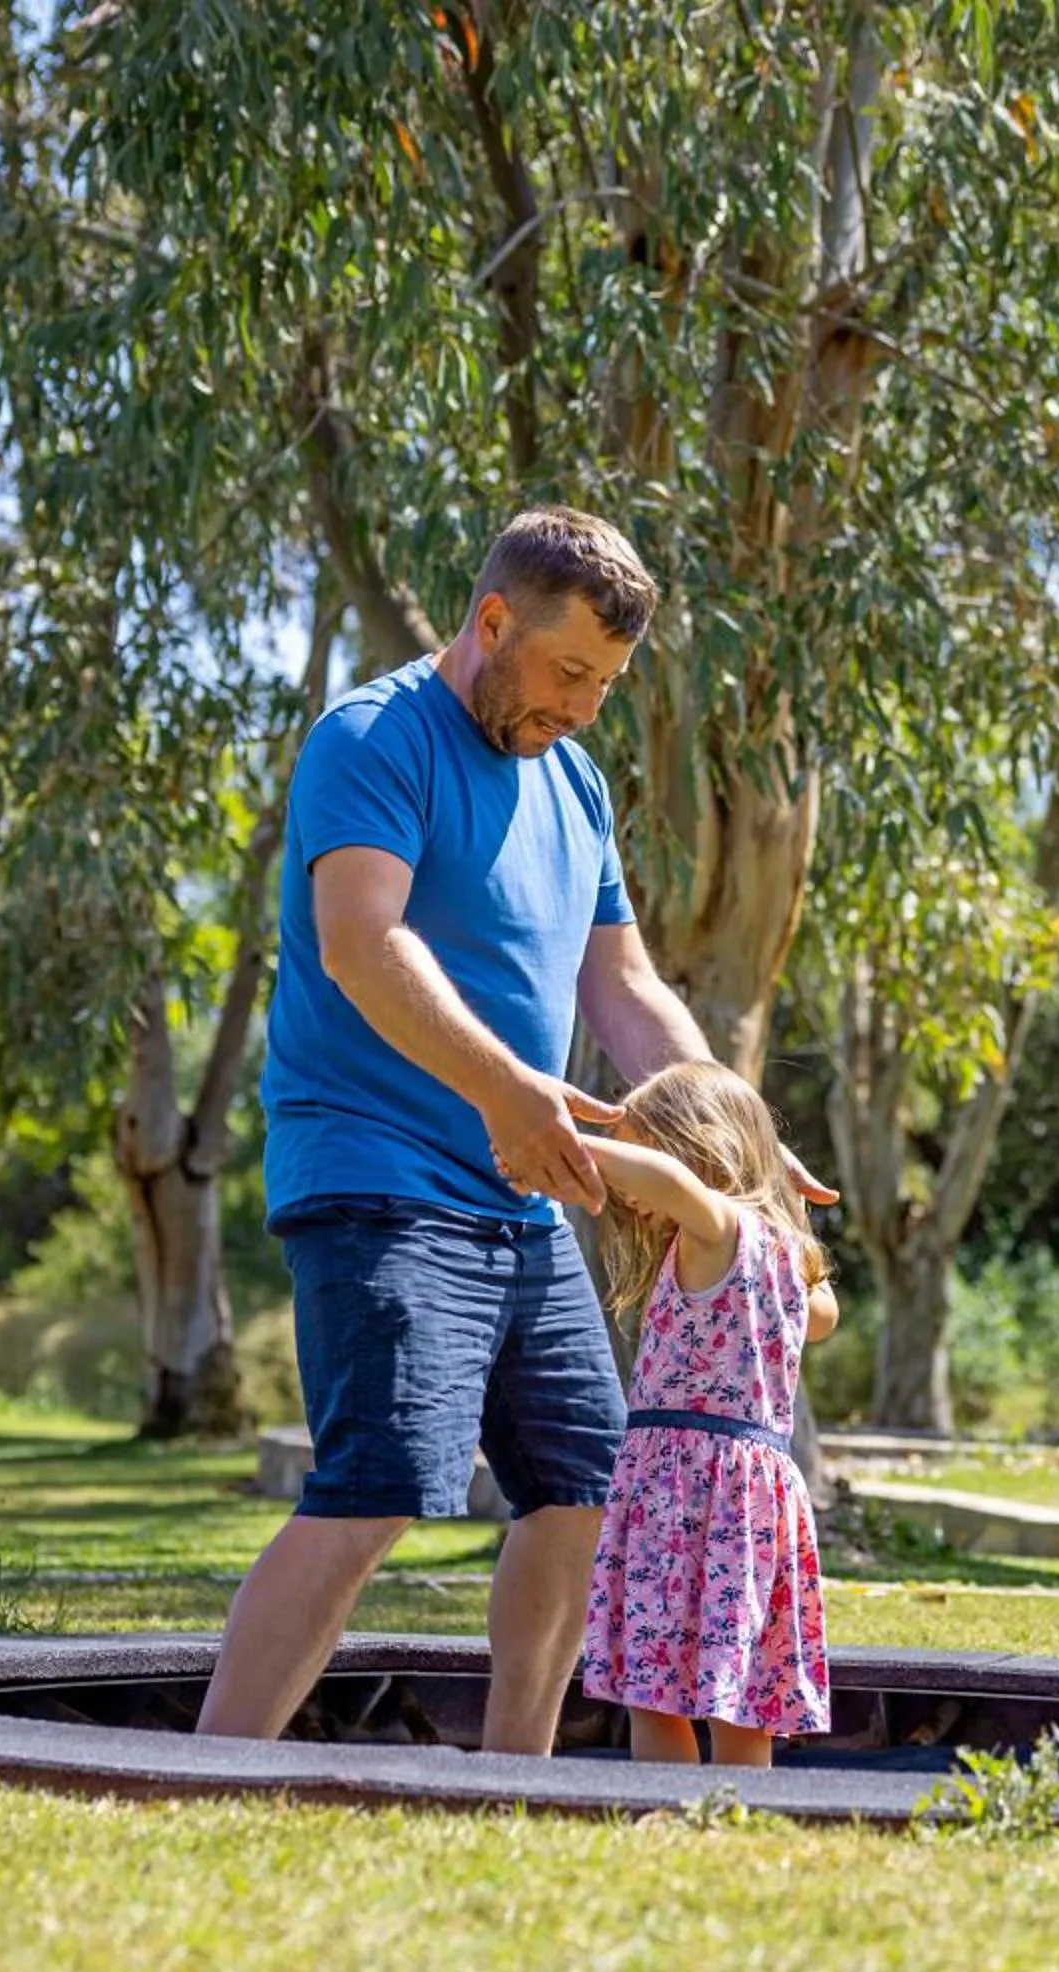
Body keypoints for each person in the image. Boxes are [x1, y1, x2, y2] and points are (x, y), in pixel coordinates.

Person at [196, 506, 830, 1751]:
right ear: (494, 623)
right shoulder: (372, 741)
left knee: (588, 1491)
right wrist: (504, 1089)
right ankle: (199, 1771)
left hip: (522, 1197)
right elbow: (363, 943)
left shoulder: (574, 782)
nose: (587, 707)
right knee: (375, 1491)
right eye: (571, 672)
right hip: (378, 1174)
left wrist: (741, 1141)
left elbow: (625, 989)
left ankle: (517, 1783)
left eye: (607, 681)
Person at [576, 1061, 840, 1768]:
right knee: (742, 1687)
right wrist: (786, 1202)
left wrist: (558, 1136)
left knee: (654, 1691)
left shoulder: (717, 1231)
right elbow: (822, 1317)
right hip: (751, 1501)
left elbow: (674, 1187)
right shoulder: (790, 1264)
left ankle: (664, 1812)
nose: (628, 1200)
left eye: (639, 1157)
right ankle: (735, 1817)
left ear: (698, 1151)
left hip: (682, 1492)